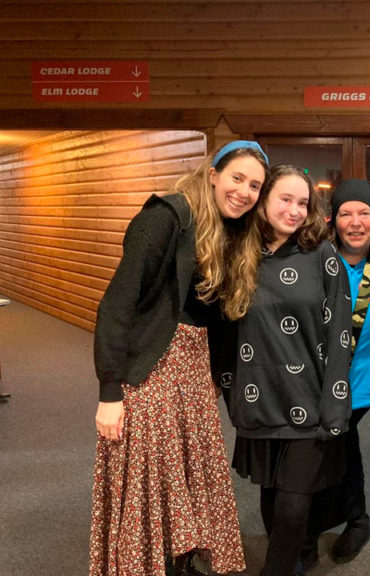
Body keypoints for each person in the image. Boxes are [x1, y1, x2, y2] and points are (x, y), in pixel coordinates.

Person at [91, 140, 269, 576]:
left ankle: (181, 561)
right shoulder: (165, 217)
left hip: (194, 367)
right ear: (213, 175)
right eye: (237, 178)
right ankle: (148, 564)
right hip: (151, 365)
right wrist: (110, 391)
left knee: (189, 475)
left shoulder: (236, 232)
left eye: (255, 186)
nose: (244, 192)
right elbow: (117, 304)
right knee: (152, 478)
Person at [221, 164, 352, 576]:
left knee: (294, 505)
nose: (295, 211)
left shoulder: (322, 255)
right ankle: (290, 562)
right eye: (285, 199)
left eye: (303, 203)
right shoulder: (237, 253)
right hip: (259, 396)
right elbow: (223, 334)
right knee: (271, 495)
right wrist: (231, 394)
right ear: (263, 201)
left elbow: (340, 334)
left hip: (308, 399)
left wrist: (335, 403)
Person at [299, 179, 370, 572]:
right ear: (333, 220)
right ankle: (346, 521)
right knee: (331, 447)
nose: (355, 222)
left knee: (331, 445)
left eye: (364, 213)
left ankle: (339, 523)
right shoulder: (315, 259)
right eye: (346, 213)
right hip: (313, 381)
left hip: (362, 384)